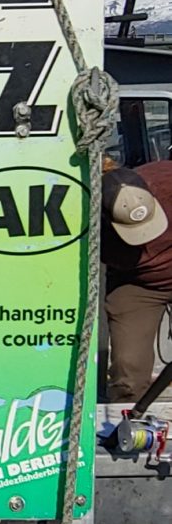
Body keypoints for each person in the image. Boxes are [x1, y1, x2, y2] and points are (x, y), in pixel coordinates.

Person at [103, 163, 172, 411]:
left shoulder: (167, 180)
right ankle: (129, 429)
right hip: (136, 284)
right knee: (127, 368)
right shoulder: (84, 216)